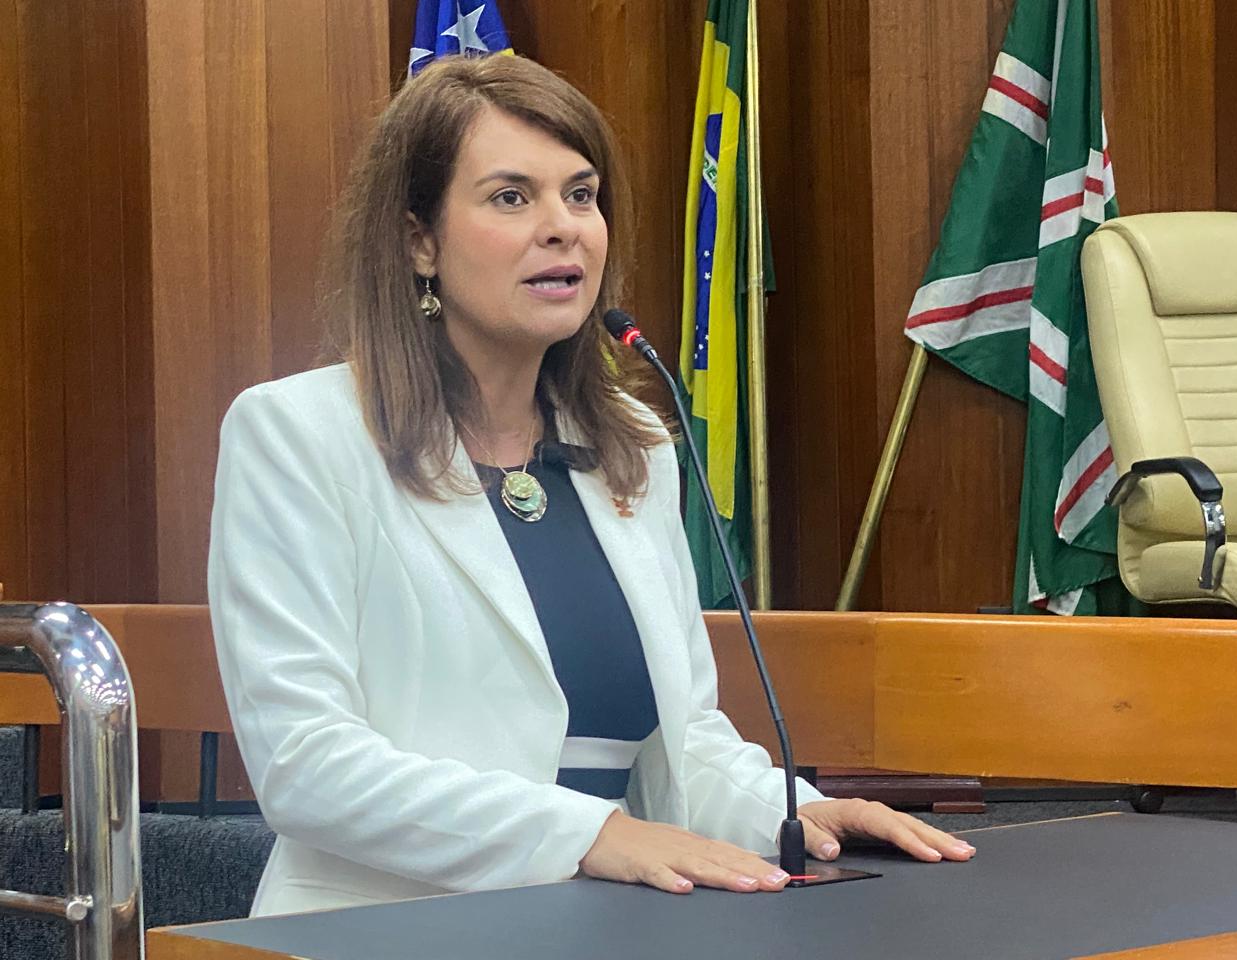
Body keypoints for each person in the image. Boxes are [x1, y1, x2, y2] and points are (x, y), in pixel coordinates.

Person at [208, 54, 974, 918]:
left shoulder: (633, 446)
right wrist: (589, 834)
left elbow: (680, 748)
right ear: (418, 241)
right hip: (384, 926)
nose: (563, 228)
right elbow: (305, 765)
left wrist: (794, 815)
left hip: (606, 926)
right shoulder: (299, 435)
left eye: (581, 194)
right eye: (511, 197)